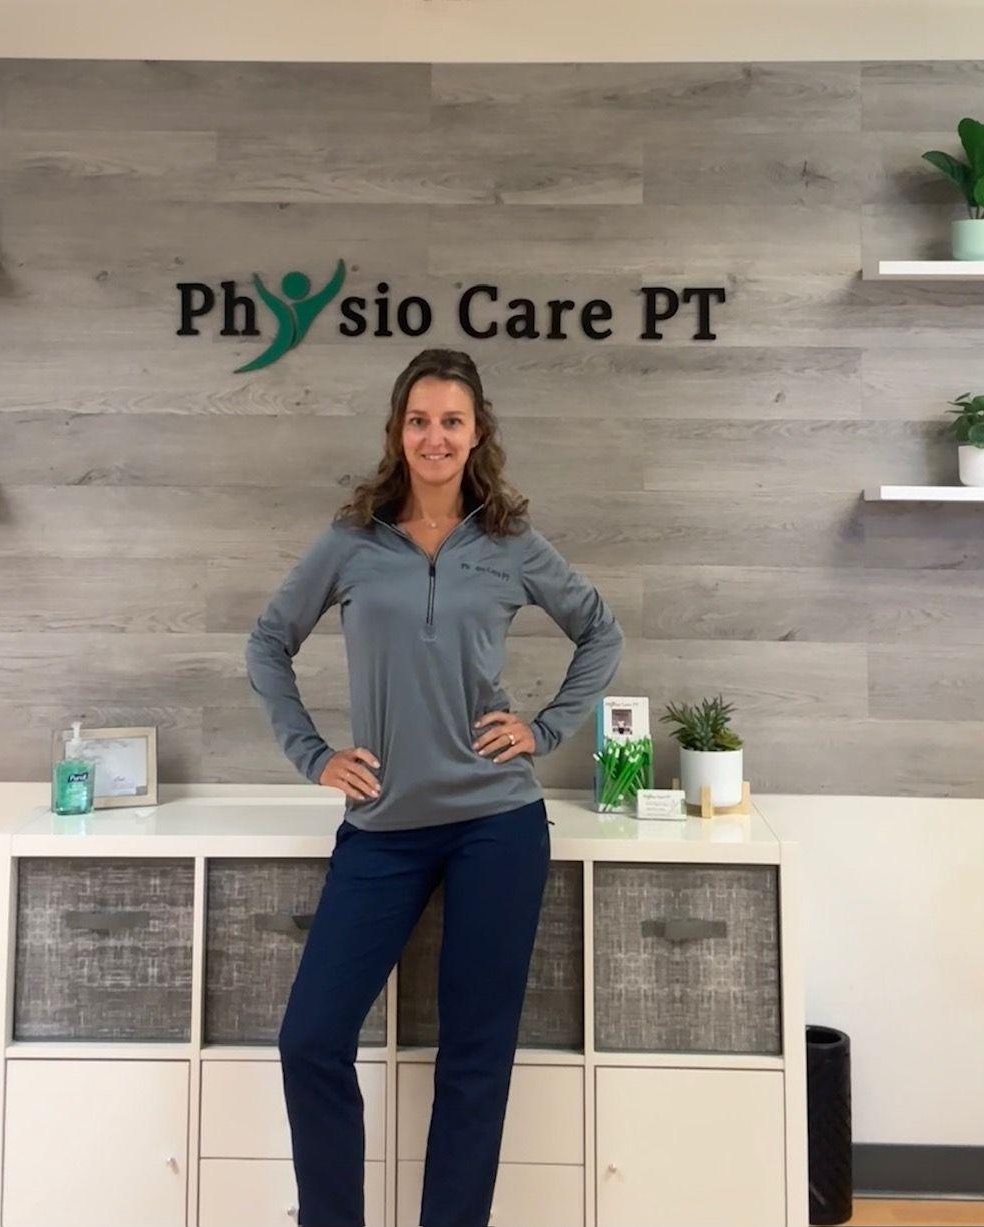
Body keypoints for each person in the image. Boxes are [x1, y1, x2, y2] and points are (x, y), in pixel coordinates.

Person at [245, 347, 624, 1227]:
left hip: (497, 820)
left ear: (477, 431)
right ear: (398, 431)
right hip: (382, 824)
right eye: (419, 420)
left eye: (452, 420)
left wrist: (543, 726)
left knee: (474, 1056)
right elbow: (267, 642)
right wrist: (313, 754)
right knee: (310, 1039)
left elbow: (600, 632)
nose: (435, 436)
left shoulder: (509, 543)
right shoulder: (352, 540)